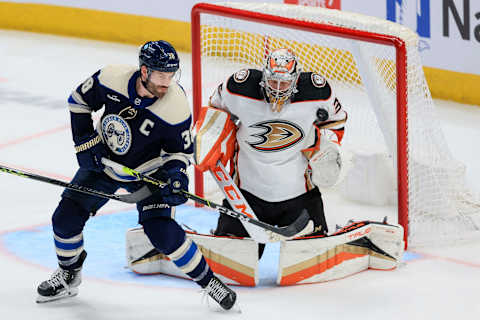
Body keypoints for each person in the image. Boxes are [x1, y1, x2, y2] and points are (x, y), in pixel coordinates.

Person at [36, 40, 237, 310]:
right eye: (161, 75)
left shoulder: (176, 106)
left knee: (162, 232)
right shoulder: (111, 78)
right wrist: (85, 144)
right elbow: (78, 100)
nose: (167, 82)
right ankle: (69, 274)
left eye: (171, 74)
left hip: (148, 174)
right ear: (144, 71)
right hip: (103, 164)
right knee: (64, 219)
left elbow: (180, 152)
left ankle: (209, 281)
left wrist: (176, 176)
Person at [206, 48, 347, 257]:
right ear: (264, 76)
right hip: (245, 197)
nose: (279, 89)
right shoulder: (238, 87)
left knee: (312, 259)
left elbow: (336, 123)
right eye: (273, 82)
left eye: (285, 83)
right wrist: (210, 143)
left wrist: (324, 147)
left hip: (300, 196)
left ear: (296, 80)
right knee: (230, 260)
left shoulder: (318, 92)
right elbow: (212, 116)